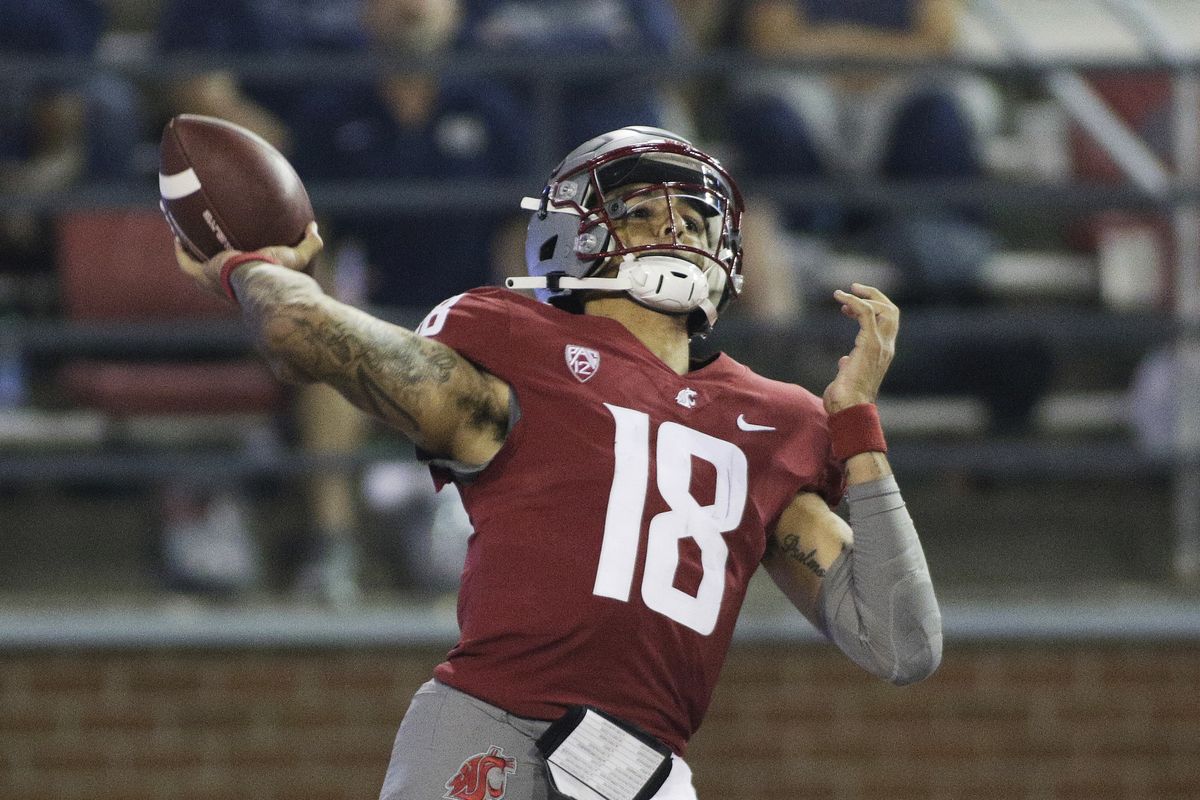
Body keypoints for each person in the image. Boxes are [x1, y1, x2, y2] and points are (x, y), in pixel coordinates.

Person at [175, 126, 941, 798]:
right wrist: (254, 266)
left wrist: (858, 430)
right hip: (492, 727)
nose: (674, 227)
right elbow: (301, 332)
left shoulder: (775, 421)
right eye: (641, 208)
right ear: (574, 234)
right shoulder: (523, 349)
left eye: (698, 215)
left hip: (645, 770)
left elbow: (903, 642)